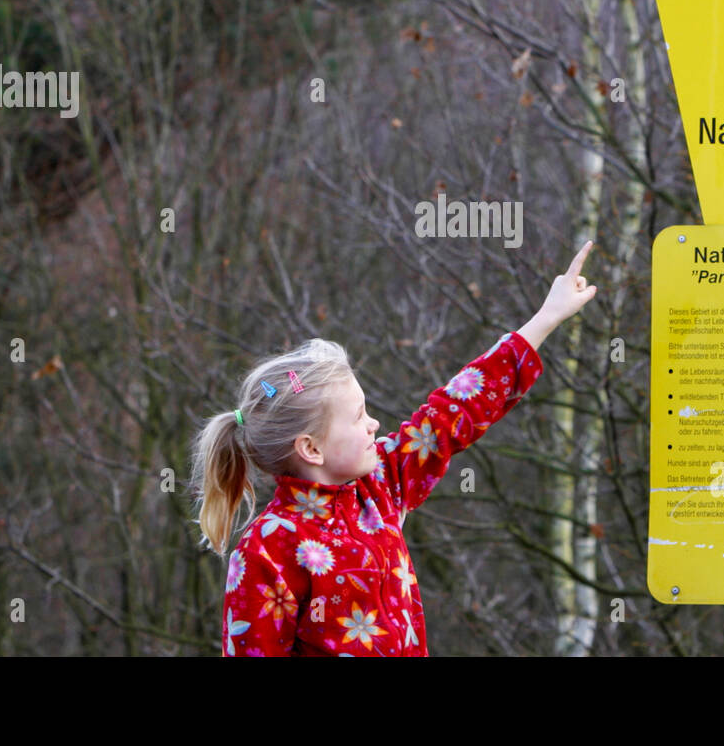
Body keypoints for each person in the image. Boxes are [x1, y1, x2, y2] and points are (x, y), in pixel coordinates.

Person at [190, 240, 598, 655]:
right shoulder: (268, 548)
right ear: (311, 448)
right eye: (358, 417)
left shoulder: (381, 484)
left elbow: (453, 410)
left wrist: (546, 318)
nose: (375, 425)